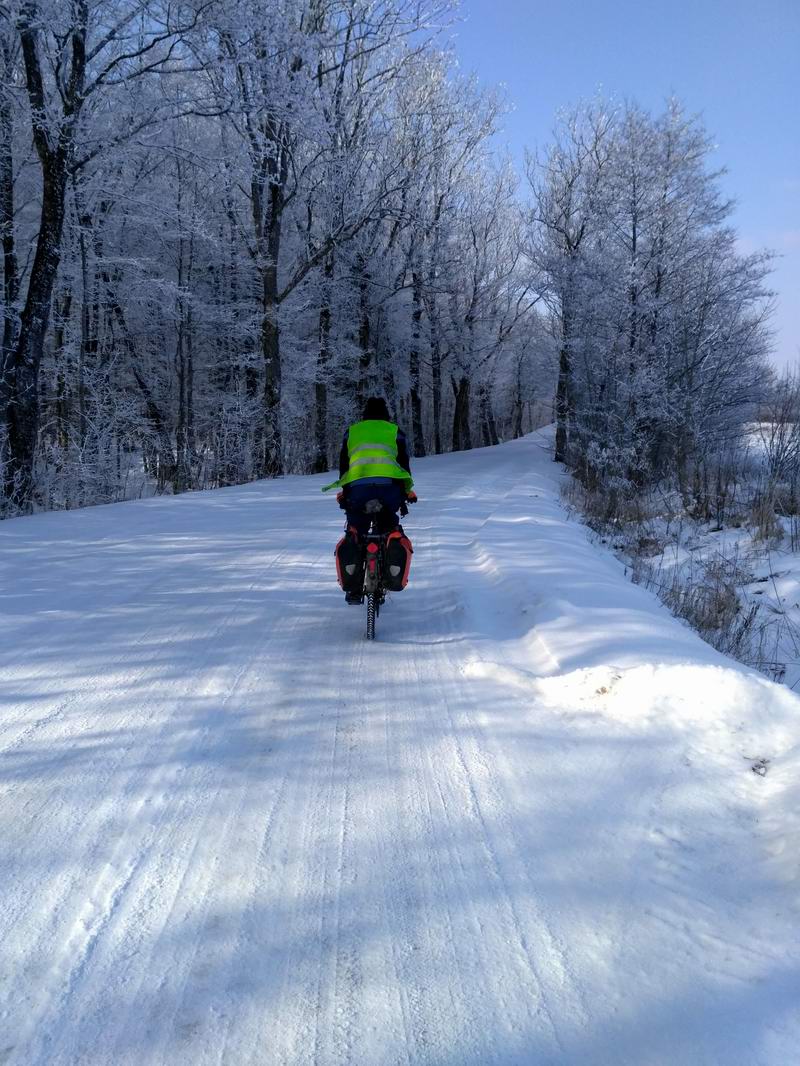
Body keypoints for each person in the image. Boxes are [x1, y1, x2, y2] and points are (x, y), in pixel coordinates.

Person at [323, 397, 417, 603]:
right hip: (389, 489)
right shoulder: (394, 431)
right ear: (386, 415)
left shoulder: (352, 432)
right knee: (388, 523)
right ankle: (389, 548)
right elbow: (403, 466)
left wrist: (345, 490)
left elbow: (344, 465)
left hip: (358, 489)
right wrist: (407, 491)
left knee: (357, 525)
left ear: (364, 415)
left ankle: (354, 587)